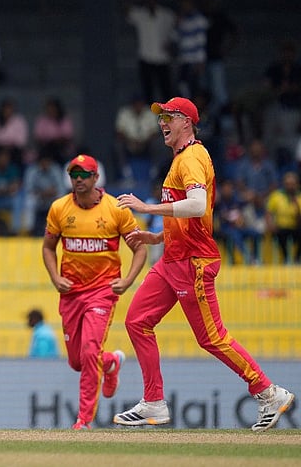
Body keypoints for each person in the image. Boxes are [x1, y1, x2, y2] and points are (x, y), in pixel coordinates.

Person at [114, 96, 294, 431]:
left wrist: (148, 209)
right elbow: (191, 216)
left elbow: (197, 206)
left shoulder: (193, 157)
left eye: (168, 116)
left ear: (186, 120)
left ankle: (268, 392)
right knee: (137, 321)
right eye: (161, 117)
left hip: (194, 263)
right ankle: (153, 402)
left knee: (212, 337)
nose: (162, 123)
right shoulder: (182, 158)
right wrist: (157, 238)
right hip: (173, 259)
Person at [42, 154, 147, 430]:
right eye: (73, 174)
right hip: (71, 293)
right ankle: (110, 362)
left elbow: (140, 248)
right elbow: (48, 248)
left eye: (84, 174)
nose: (78, 179)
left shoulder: (117, 209)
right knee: (77, 362)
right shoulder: (59, 208)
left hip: (102, 292)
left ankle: (83, 421)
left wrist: (127, 281)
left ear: (95, 177)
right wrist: (55, 277)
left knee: (89, 352)